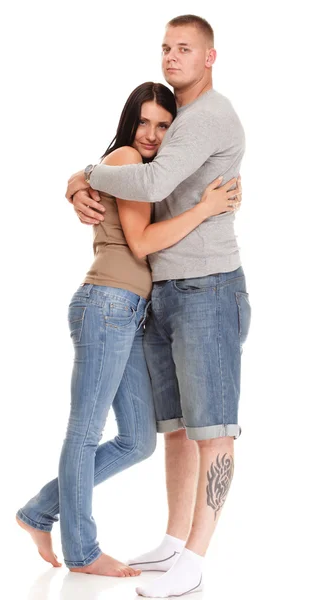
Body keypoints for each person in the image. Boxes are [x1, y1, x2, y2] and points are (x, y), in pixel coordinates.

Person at [16, 81, 240, 578]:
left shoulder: (145, 173)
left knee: (139, 440)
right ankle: (82, 551)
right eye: (144, 122)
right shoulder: (127, 164)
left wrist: (77, 179)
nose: (153, 134)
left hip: (132, 312)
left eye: (164, 125)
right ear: (129, 123)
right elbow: (140, 245)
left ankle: (38, 511)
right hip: (107, 304)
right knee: (85, 430)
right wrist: (205, 208)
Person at [66, 14, 250, 598]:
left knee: (212, 431)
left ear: (210, 57)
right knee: (172, 430)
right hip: (162, 295)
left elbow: (143, 188)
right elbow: (145, 181)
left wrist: (81, 172)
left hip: (207, 289)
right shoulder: (178, 126)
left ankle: (195, 558)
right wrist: (77, 182)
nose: (172, 57)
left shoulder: (208, 117)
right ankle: (174, 541)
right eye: (166, 47)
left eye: (185, 49)